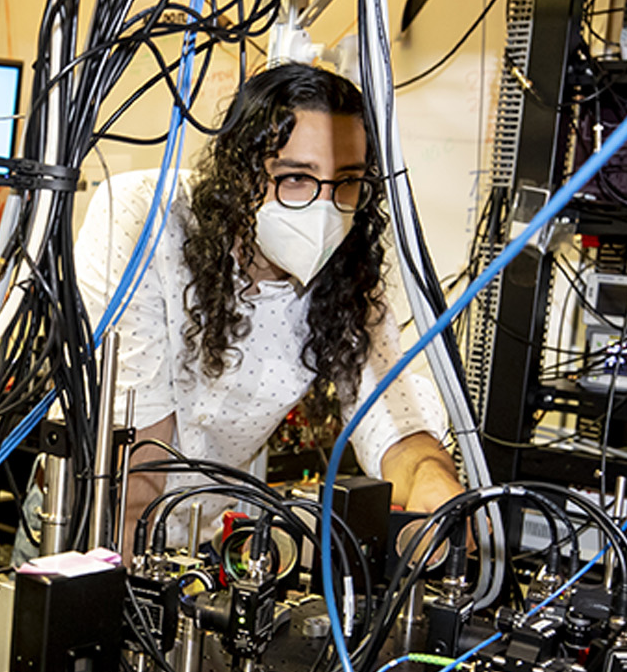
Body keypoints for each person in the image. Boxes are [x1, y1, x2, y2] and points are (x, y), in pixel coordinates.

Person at [76, 61, 463, 544]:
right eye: (296, 178)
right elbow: (137, 448)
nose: (325, 208)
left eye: (345, 182)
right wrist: (120, 587)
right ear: (241, 173)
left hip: (199, 535)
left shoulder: (346, 273)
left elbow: (391, 410)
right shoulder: (143, 220)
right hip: (90, 523)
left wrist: (431, 477)